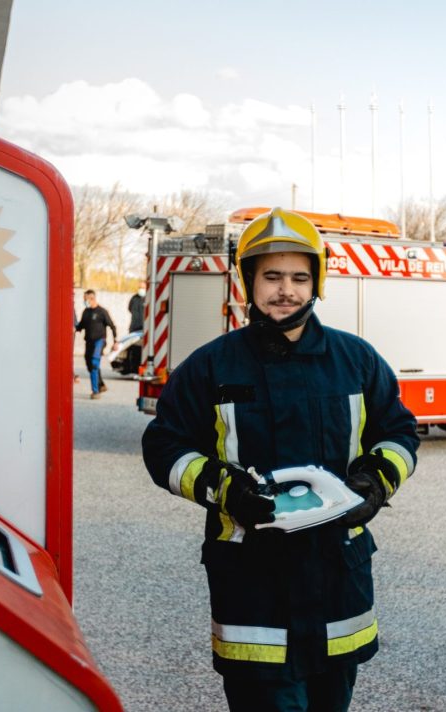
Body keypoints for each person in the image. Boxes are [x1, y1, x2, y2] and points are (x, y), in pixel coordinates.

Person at [142, 208, 419, 711]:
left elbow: (399, 433)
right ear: (250, 280)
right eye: (272, 276)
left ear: (317, 282)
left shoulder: (356, 361)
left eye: (298, 276)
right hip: (253, 584)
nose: (285, 289)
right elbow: (165, 447)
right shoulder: (211, 366)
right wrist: (224, 489)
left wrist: (376, 482)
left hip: (338, 580)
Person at [76, 289, 117, 399]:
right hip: (88, 342)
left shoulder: (102, 311)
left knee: (94, 363)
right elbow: (80, 326)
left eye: (85, 299)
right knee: (89, 365)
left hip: (99, 341)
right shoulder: (86, 312)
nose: (84, 301)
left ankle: (95, 391)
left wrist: (115, 341)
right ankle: (101, 384)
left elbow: (112, 326)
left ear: (92, 298)